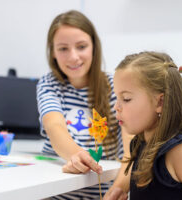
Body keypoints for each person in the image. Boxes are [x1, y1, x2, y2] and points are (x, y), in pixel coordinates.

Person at [105, 51, 182, 199]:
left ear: (160, 102)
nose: (116, 107)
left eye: (126, 99)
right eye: (116, 98)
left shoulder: (179, 153)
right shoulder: (140, 145)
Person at [36, 10, 131, 199]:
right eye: (63, 48)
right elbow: (54, 125)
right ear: (53, 52)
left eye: (81, 46)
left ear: (94, 47)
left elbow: (131, 152)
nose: (73, 57)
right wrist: (77, 155)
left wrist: (118, 190)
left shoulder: (115, 86)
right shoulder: (49, 83)